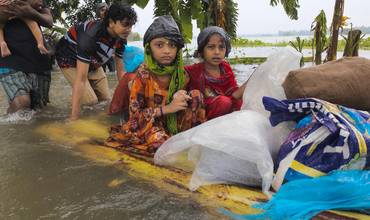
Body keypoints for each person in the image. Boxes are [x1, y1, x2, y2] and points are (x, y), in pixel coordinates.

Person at [105, 15, 206, 157]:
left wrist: (183, 96)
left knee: (196, 95)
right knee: (161, 144)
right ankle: (168, 142)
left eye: (172, 45)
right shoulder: (143, 75)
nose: (167, 51)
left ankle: (194, 142)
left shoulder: (181, 75)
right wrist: (167, 108)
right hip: (148, 126)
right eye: (159, 45)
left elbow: (186, 107)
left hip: (172, 123)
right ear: (149, 48)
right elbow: (135, 119)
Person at [55, 3, 137, 120]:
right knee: (90, 101)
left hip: (93, 60)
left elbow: (121, 71)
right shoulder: (91, 35)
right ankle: (75, 108)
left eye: (131, 26)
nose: (129, 30)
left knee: (106, 101)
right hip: (68, 58)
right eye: (125, 25)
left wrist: (128, 95)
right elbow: (81, 79)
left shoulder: (121, 39)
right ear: (111, 22)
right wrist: (74, 117)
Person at [0, 0, 53, 114]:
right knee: (22, 104)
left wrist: (30, 12)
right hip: (9, 56)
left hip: (38, 57)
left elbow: (49, 22)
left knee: (39, 110)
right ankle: (11, 130)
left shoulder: (36, 1)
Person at [185, 26, 247, 120]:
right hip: (202, 117)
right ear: (202, 51)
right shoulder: (193, 71)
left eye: (221, 47)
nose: (217, 52)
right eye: (211, 47)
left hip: (224, 111)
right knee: (224, 102)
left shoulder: (226, 68)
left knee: (240, 102)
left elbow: (234, 95)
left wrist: (252, 80)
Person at [108, 45, 144, 117]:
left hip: (115, 111)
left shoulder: (128, 75)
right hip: (119, 114)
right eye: (142, 63)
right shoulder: (133, 78)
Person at [96, 2, 115, 74]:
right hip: (99, 56)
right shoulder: (95, 25)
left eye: (106, 10)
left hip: (110, 55)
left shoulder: (112, 24)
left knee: (113, 74)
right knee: (101, 75)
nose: (104, 12)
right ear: (98, 12)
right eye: (102, 10)